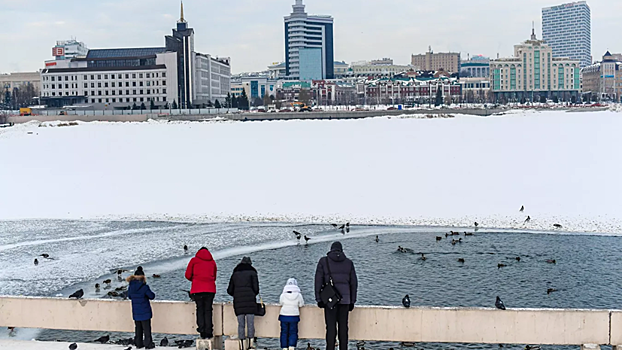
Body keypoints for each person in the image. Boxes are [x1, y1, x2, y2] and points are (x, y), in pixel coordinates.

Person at [314, 242, 358, 350]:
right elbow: (354, 283)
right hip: (345, 301)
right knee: (343, 328)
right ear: (341, 250)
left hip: (330, 300)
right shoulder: (349, 263)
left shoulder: (323, 261)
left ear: (331, 249)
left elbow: (318, 281)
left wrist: (319, 299)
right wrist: (352, 301)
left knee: (331, 328)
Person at [227, 257, 259, 350]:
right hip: (250, 302)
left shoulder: (235, 273)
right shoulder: (253, 273)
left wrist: (236, 294)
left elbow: (229, 290)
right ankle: (250, 345)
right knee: (250, 324)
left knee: (241, 324)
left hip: (238, 302)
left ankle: (241, 345)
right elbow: (256, 289)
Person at [185, 247, 217, 339]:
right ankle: (209, 331)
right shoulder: (212, 262)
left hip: (197, 290)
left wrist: (195, 280)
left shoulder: (194, 261)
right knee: (208, 310)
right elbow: (214, 277)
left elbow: (187, 275)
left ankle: (202, 331)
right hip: (210, 290)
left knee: (200, 309)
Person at [127, 266, 156, 349]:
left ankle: (138, 343)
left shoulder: (131, 287)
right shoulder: (144, 287)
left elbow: (129, 296)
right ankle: (148, 344)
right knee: (146, 329)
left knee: (138, 328)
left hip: (136, 311)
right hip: (145, 311)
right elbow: (152, 296)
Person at [279, 278, 304, 350]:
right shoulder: (298, 295)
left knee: (284, 332)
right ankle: (291, 346)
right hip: (294, 315)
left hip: (284, 315)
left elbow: (281, 303)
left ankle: (284, 347)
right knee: (293, 332)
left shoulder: (283, 295)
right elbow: (301, 305)